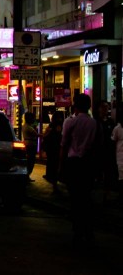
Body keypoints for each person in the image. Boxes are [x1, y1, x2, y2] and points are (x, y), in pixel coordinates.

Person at [59, 93, 101, 249]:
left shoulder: (70, 122)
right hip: (88, 164)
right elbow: (98, 146)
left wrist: (60, 167)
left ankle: (78, 231)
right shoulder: (94, 124)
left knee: (75, 199)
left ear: (75, 106)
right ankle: (88, 231)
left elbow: (63, 145)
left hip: (73, 164)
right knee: (86, 197)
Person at [93, 100, 117, 205]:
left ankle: (105, 196)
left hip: (108, 152)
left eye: (107, 107)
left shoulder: (111, 122)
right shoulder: (95, 122)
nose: (105, 109)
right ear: (98, 108)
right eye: (103, 107)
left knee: (108, 173)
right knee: (98, 173)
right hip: (98, 152)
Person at [42, 111, 65, 193]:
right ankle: (54, 180)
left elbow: (45, 136)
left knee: (52, 163)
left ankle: (52, 178)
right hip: (55, 147)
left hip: (53, 148)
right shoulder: (59, 125)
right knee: (54, 164)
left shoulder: (53, 125)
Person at [23, 112, 40, 181]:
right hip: (31, 146)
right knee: (31, 162)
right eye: (33, 118)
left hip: (29, 145)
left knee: (29, 161)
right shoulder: (29, 127)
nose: (34, 119)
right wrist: (47, 132)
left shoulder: (26, 126)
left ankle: (27, 176)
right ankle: (27, 176)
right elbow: (38, 135)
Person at [112, 115, 123, 205]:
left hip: (120, 156)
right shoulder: (117, 129)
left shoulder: (117, 128)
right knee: (121, 177)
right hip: (120, 157)